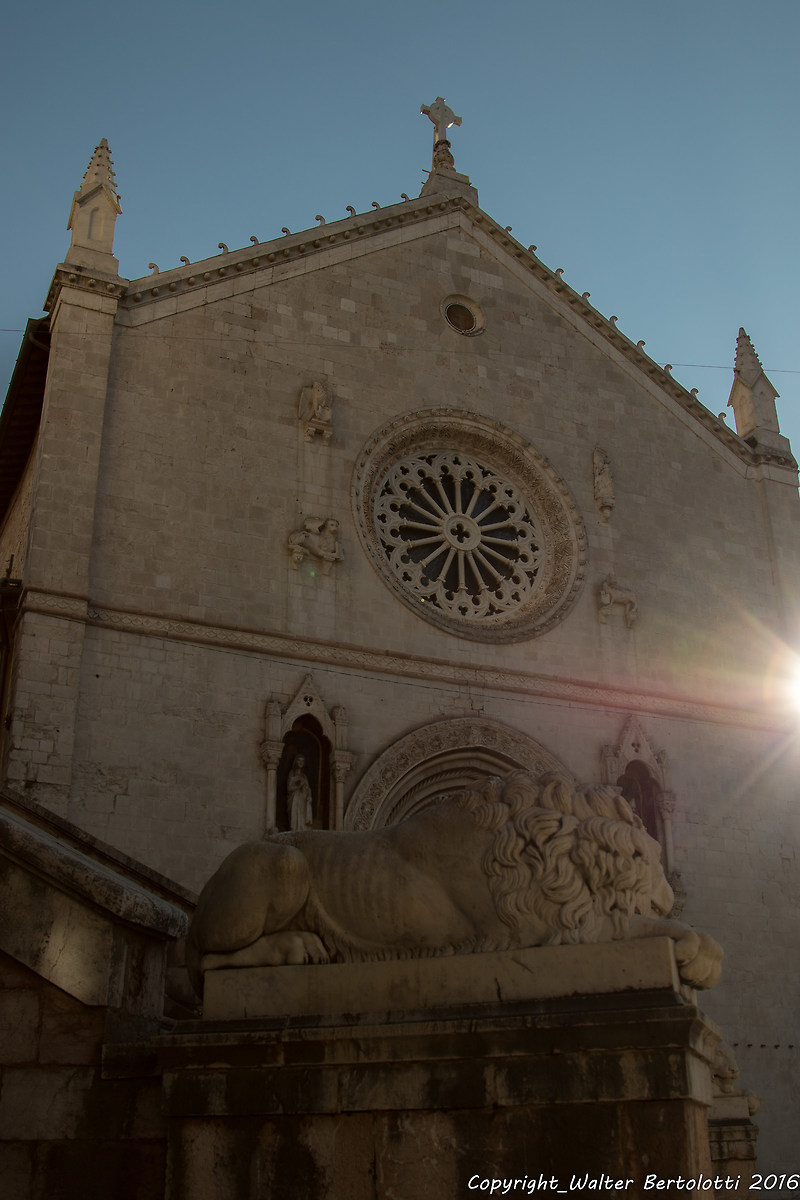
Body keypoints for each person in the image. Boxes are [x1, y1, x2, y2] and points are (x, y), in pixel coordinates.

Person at [287, 755, 313, 830]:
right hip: (295, 798)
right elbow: (289, 788)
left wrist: (309, 796)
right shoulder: (292, 773)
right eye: (299, 760)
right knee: (295, 816)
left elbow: (308, 788)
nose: (301, 762)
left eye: (302, 761)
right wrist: (299, 786)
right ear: (296, 762)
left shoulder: (304, 776)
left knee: (303, 816)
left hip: (304, 798)